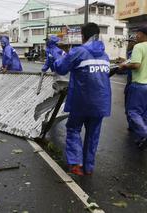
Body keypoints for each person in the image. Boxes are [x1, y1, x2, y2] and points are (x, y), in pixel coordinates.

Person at [53, 23, 111, 175]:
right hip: (101, 103)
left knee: (73, 129)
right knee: (93, 135)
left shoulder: (78, 52)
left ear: (83, 36)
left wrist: (63, 54)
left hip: (81, 102)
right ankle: (89, 167)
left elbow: (60, 68)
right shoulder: (105, 55)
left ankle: (75, 163)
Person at [119, 24, 147, 150]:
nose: (136, 36)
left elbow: (136, 65)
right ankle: (143, 139)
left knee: (133, 112)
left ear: (144, 34)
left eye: (137, 33)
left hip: (141, 84)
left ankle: (145, 133)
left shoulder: (139, 47)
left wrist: (124, 66)